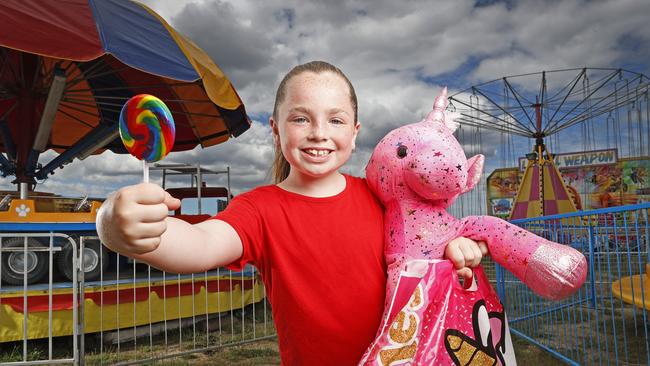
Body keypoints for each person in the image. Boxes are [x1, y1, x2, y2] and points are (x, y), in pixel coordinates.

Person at [97, 61, 487, 365]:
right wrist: (116, 225)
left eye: (335, 120)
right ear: (276, 129)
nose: (319, 132)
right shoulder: (259, 209)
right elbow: (199, 244)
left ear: (354, 131)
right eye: (301, 118)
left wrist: (458, 247)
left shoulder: (382, 199)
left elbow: (429, 241)